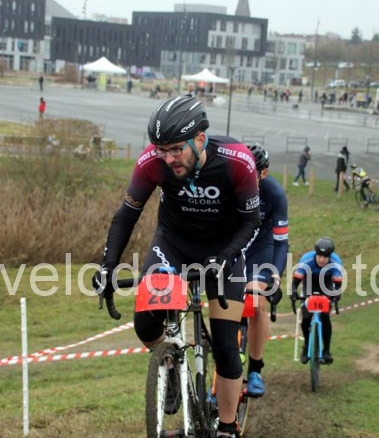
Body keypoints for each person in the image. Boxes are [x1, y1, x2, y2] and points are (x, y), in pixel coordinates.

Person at [94, 94, 260, 437]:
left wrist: (227, 257)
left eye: (175, 150)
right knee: (145, 322)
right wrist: (108, 266)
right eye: (161, 150)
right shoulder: (152, 162)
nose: (168, 159)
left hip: (223, 250)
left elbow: (251, 221)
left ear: (199, 139)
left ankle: (227, 426)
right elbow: (126, 215)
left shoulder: (237, 161)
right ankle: (170, 364)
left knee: (227, 346)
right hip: (173, 245)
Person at [243, 143, 287, 398]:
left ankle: (255, 369)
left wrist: (276, 275)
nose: (245, 176)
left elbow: (281, 242)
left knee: (257, 303)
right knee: (223, 304)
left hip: (261, 247)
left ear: (264, 173)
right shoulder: (230, 184)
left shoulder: (274, 193)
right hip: (233, 247)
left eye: (252, 172)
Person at [291, 237, 343, 365]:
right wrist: (294, 293)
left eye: (325, 257)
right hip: (309, 284)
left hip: (326, 284)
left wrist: (336, 295)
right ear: (315, 254)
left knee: (325, 316)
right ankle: (306, 346)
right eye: (319, 256)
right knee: (306, 317)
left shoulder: (335, 261)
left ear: (330, 256)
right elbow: (295, 282)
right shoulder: (306, 260)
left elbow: (338, 285)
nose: (322, 260)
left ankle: (326, 351)